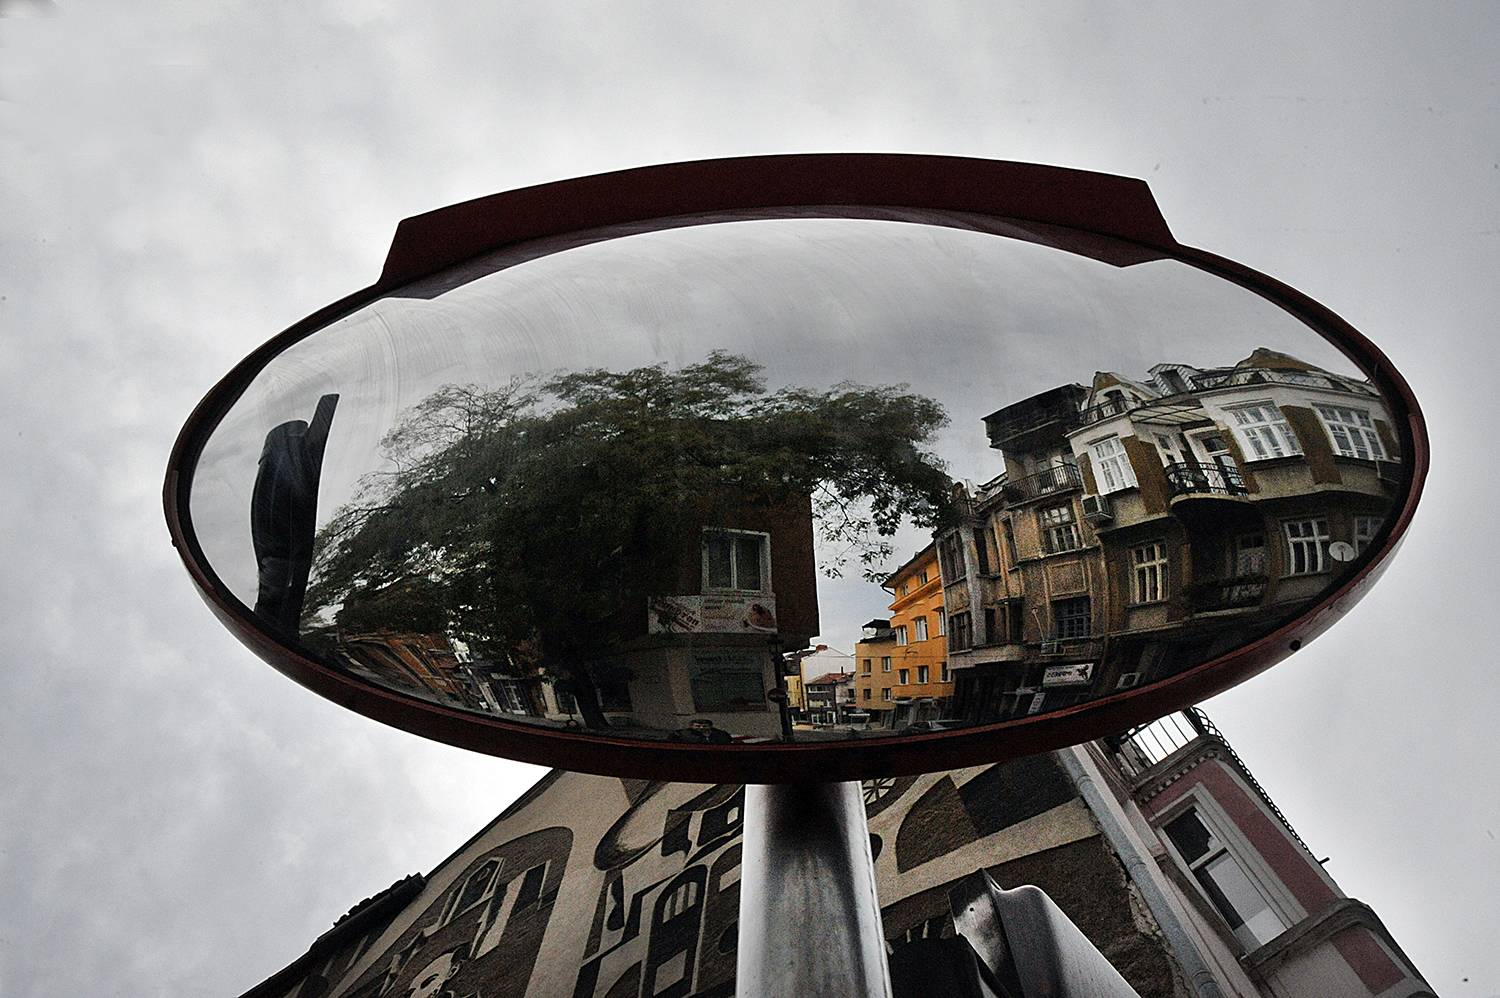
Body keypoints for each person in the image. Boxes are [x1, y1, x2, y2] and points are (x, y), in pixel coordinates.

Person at [668, 718, 732, 744]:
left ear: (710, 726)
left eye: (704, 726)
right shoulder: (681, 734)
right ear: (691, 726)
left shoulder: (720, 734)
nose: (701, 728)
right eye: (697, 726)